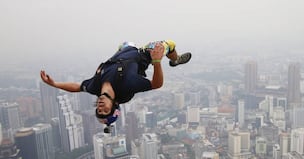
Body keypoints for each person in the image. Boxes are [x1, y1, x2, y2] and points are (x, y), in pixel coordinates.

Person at [40, 40, 191, 132]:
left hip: (125, 49)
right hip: (144, 54)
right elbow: (156, 84)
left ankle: (126, 47)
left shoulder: (95, 87)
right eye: (105, 109)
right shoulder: (127, 85)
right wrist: (157, 61)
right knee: (169, 44)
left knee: (125, 43)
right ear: (114, 105)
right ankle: (175, 60)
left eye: (99, 109)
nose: (100, 106)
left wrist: (53, 84)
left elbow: (77, 87)